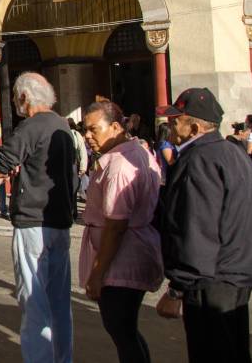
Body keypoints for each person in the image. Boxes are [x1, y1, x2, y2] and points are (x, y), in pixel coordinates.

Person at [156, 88, 252, 363]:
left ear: (194, 127)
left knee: (211, 352)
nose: (171, 126)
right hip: (235, 273)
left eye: (176, 121)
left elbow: (196, 228)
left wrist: (177, 287)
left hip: (210, 280)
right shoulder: (234, 153)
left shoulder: (198, 159)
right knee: (233, 351)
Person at [0, 72, 77, 363]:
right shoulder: (62, 126)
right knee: (59, 303)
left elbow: (1, 164)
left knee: (34, 302)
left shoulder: (32, 126)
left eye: (16, 97)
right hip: (60, 222)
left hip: (33, 223)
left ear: (24, 98)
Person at [80, 101, 163, 363]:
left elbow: (116, 226)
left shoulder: (120, 165)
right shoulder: (133, 153)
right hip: (128, 254)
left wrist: (98, 272)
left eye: (94, 129)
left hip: (122, 262)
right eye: (85, 130)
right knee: (126, 332)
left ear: (115, 127)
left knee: (122, 330)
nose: (88, 137)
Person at [154, 122, 175, 186]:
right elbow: (171, 162)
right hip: (167, 176)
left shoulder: (162, 143)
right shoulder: (165, 145)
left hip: (164, 174)